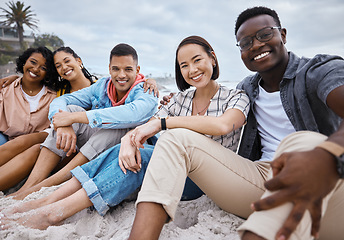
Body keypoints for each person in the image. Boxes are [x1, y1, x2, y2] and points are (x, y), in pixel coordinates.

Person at [127, 6, 344, 240]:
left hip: (327, 185)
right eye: (246, 43)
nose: (257, 45)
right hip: (259, 182)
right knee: (174, 138)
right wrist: (135, 134)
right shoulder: (246, 89)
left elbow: (222, 124)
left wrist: (327, 154)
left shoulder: (318, 71)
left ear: (283, 34)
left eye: (264, 34)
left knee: (303, 141)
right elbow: (209, 109)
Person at [0, 35, 250, 230]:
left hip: (206, 180)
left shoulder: (235, 96)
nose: (192, 70)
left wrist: (162, 125)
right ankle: (42, 200)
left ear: (212, 59)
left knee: (139, 160)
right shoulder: (181, 99)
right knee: (126, 151)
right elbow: (148, 123)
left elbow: (223, 126)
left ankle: (52, 213)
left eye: (198, 60)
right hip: (175, 169)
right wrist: (130, 140)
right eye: (184, 65)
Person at [7, 43, 158, 201]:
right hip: (94, 148)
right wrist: (63, 123)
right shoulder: (103, 86)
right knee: (72, 109)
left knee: (114, 127)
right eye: (116, 69)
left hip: (127, 157)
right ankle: (29, 186)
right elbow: (63, 100)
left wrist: (73, 118)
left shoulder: (147, 91)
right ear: (109, 68)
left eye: (128, 69)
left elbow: (131, 114)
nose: (121, 75)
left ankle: (46, 185)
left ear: (137, 70)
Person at [0, 47, 98, 194]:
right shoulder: (61, 88)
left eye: (67, 61)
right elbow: (31, 82)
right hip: (58, 138)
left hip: (79, 147)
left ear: (79, 61)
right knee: (25, 144)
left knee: (32, 147)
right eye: (58, 66)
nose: (64, 67)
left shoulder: (99, 87)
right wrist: (14, 78)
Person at [0, 47, 58, 155]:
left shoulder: (54, 97)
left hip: (34, 145)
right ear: (24, 62)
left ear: (48, 73)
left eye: (43, 68)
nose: (36, 69)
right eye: (33, 62)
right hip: (4, 137)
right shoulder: (4, 88)